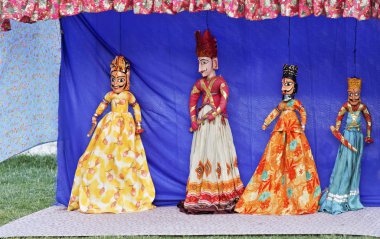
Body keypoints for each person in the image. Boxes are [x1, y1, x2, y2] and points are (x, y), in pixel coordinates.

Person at [67, 56, 155, 213]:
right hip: (110, 125)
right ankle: (104, 186)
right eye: (113, 79)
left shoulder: (128, 96)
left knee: (128, 156)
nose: (116, 83)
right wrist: (96, 115)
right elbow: (103, 105)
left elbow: (136, 107)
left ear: (126, 79)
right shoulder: (110, 95)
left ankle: (126, 189)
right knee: (103, 153)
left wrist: (138, 123)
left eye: (120, 80)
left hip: (127, 127)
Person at [235, 64, 321, 215]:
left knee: (296, 159)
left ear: (294, 87)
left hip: (294, 130)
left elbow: (302, 111)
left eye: (288, 84)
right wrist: (266, 122)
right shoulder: (282, 104)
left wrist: (303, 123)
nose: (285, 87)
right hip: (280, 130)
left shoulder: (295, 103)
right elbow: (274, 112)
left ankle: (297, 196)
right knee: (275, 156)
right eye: (283, 83)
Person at [178, 30, 244, 214]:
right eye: (199, 63)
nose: (200, 68)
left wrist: (214, 113)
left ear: (214, 62)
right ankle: (203, 192)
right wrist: (193, 120)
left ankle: (222, 192)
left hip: (216, 123)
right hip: (204, 126)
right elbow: (192, 100)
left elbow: (224, 99)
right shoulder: (199, 84)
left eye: (204, 63)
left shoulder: (220, 81)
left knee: (219, 152)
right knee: (203, 152)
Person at [319, 77, 374, 214]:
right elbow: (338, 119)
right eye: (351, 94)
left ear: (359, 94)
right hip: (347, 137)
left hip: (358, 138)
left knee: (355, 166)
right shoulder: (345, 106)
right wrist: (337, 130)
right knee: (344, 164)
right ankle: (338, 197)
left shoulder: (362, 107)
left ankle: (351, 197)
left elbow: (368, 120)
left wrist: (368, 135)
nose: (353, 97)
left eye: (356, 94)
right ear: (347, 93)